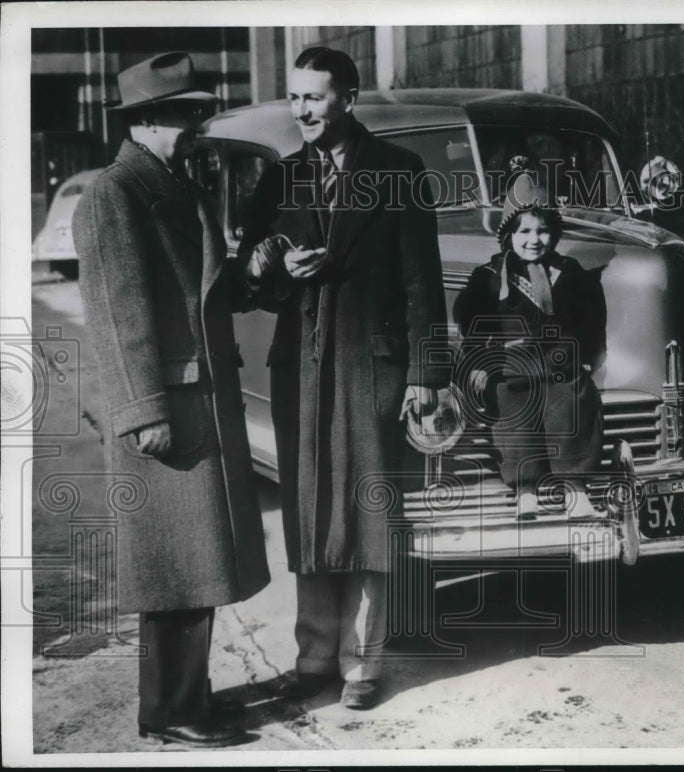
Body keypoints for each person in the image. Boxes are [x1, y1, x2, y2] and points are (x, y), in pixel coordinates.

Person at [237, 47, 449, 710]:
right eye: (295, 97)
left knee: (367, 516)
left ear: (348, 99)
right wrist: (272, 264)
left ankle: (364, 665)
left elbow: (422, 283)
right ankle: (314, 660)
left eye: (315, 97)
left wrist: (426, 373)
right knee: (308, 515)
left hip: (372, 367)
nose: (301, 109)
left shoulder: (399, 172)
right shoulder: (282, 178)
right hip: (300, 367)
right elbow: (251, 275)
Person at [72, 51, 270, 748]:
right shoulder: (116, 195)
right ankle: (169, 712)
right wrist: (142, 412)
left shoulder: (172, 185)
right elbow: (116, 317)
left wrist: (256, 270)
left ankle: (189, 696)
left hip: (198, 400)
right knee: (174, 570)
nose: (196, 126)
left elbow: (207, 288)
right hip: (166, 410)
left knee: (198, 563)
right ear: (148, 120)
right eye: (186, 115)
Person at [454, 173, 607, 520]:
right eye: (524, 231)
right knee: (512, 412)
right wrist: (479, 362)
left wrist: (585, 358)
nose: (534, 240)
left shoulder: (570, 272)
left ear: (555, 233)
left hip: (559, 361)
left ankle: (575, 488)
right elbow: (471, 322)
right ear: (509, 235)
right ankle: (525, 490)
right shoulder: (490, 277)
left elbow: (590, 318)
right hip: (513, 363)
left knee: (569, 407)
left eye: (543, 231)